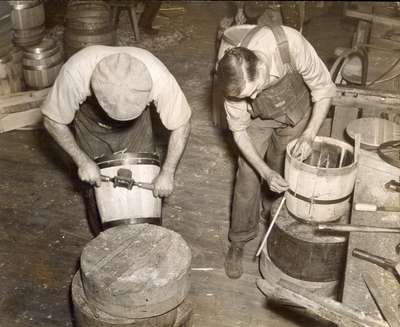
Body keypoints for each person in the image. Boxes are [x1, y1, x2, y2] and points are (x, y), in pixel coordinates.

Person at [216, 24, 336, 279]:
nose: (254, 96)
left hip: (296, 113)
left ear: (259, 65)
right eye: (245, 96)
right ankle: (238, 241)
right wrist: (264, 171)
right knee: (248, 176)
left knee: (284, 169)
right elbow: (238, 131)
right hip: (256, 122)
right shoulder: (232, 80)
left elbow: (324, 89)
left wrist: (309, 135)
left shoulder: (289, 44)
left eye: (255, 89)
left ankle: (274, 223)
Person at [41, 45, 191, 234]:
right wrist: (82, 161)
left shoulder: (158, 75)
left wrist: (168, 173)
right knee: (94, 186)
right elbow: (52, 120)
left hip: (136, 128)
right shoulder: (76, 72)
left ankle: (147, 237)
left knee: (144, 184)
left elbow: (181, 125)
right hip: (91, 125)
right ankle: (102, 240)